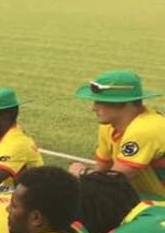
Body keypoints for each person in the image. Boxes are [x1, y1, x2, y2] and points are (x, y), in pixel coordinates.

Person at [69, 70, 165, 202]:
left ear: (122, 102)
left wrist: (81, 173)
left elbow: (115, 180)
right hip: (149, 200)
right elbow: (102, 173)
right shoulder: (108, 126)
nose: (94, 108)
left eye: (100, 101)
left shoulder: (146, 128)